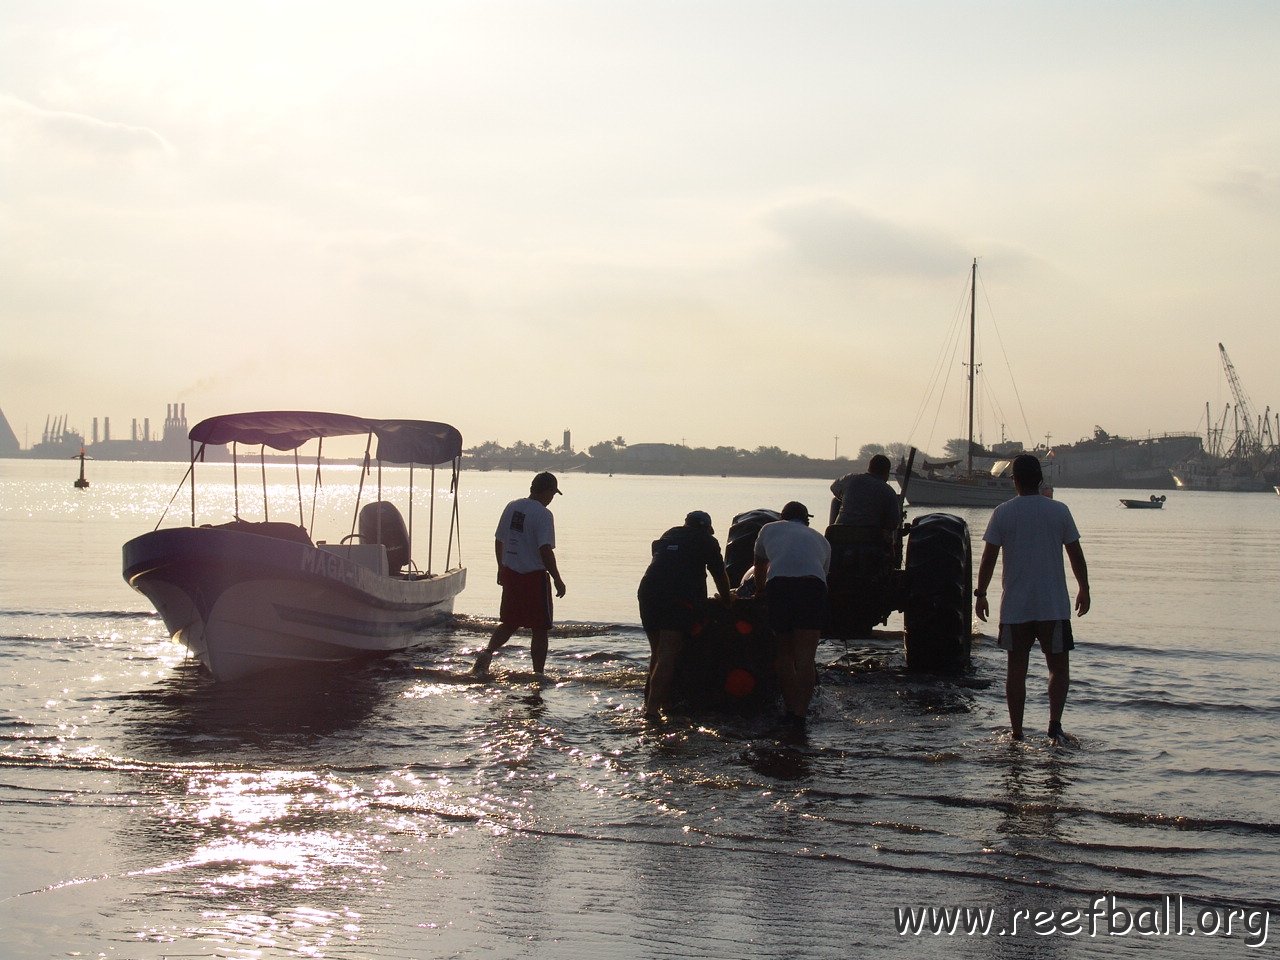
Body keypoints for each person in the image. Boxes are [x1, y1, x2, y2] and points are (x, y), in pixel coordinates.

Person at [974, 454, 1090, 743]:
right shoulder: (1059, 511)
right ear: (1040, 481)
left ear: (1014, 480)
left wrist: (981, 593)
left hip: (1016, 606)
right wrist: (1084, 588)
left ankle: (1017, 732)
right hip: (1053, 605)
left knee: (1016, 670)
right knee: (1058, 667)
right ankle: (1054, 726)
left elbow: (988, 558)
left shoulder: (1002, 512)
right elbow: (1076, 554)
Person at [638, 510, 734, 718]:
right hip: (676, 598)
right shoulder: (707, 540)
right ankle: (652, 713)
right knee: (667, 653)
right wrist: (727, 601)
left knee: (657, 652)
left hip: (648, 593)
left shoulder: (670, 534)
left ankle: (652, 704)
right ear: (707, 528)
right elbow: (719, 574)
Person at [472, 471, 566, 677]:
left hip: (512, 574)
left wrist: (501, 567)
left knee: (509, 622)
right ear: (546, 491)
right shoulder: (543, 514)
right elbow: (545, 549)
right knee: (540, 629)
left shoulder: (512, 506)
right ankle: (538, 674)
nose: (552, 499)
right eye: (552, 494)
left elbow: (499, 539)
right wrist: (558, 579)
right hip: (534, 576)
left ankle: (487, 654)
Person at [752, 501, 832, 731]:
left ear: (782, 518)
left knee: (785, 656)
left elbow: (759, 565)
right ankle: (800, 714)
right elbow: (823, 577)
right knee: (806, 659)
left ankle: (788, 710)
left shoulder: (768, 529)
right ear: (806, 520)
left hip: (780, 585)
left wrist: (759, 593)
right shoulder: (822, 540)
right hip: (812, 587)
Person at [830, 453, 901, 548]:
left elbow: (834, 487)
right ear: (886, 473)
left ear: (869, 468)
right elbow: (893, 523)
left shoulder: (850, 479)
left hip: (839, 537)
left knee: (835, 501)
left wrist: (848, 500)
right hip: (869, 543)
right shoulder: (888, 491)